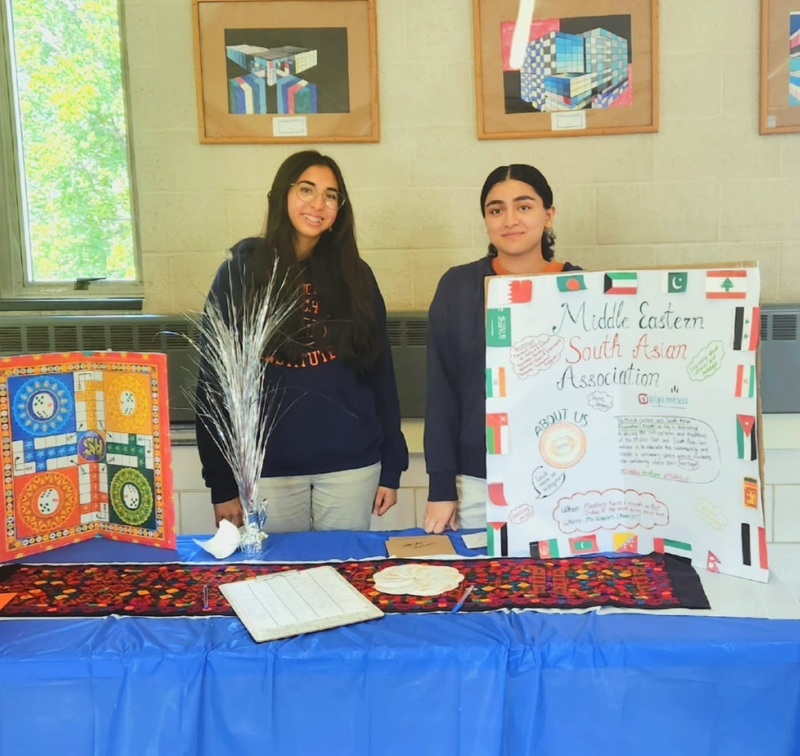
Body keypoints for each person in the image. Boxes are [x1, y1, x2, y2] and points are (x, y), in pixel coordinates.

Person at [196, 150, 408, 532]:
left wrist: (392, 466)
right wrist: (222, 484)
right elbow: (212, 385)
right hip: (267, 471)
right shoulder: (240, 274)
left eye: (331, 195)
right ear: (281, 196)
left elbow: (382, 376)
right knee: (277, 583)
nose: (318, 204)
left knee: (344, 581)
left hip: (351, 467)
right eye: (307, 189)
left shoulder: (356, 276)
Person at [423, 163, 581, 534]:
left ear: (549, 215)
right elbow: (441, 392)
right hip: (478, 481)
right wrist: (442, 487)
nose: (510, 219)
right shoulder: (459, 287)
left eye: (524, 207)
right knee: (483, 589)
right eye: (497, 210)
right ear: (486, 220)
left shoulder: (581, 286)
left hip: (568, 479)